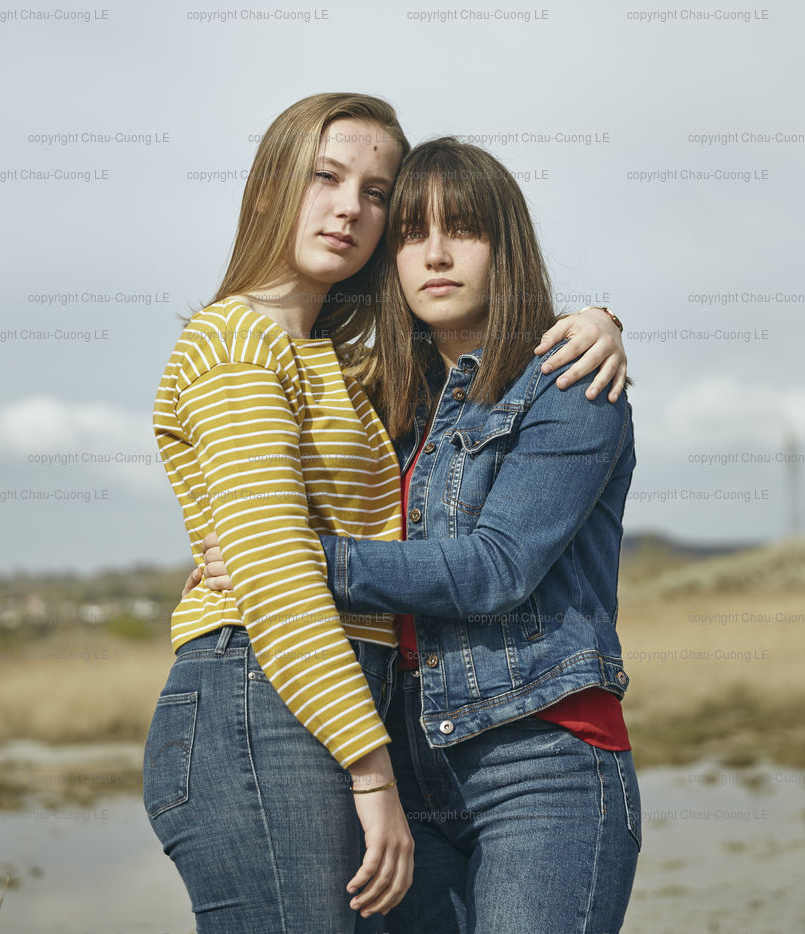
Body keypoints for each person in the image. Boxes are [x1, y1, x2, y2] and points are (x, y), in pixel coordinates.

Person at [155, 93, 628, 932]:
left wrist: (599, 319)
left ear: (507, 247)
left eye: (377, 195)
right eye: (411, 231)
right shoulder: (317, 371)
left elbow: (496, 567)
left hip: (528, 754)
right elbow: (267, 558)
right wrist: (373, 769)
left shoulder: (513, 383)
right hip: (351, 731)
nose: (432, 253)